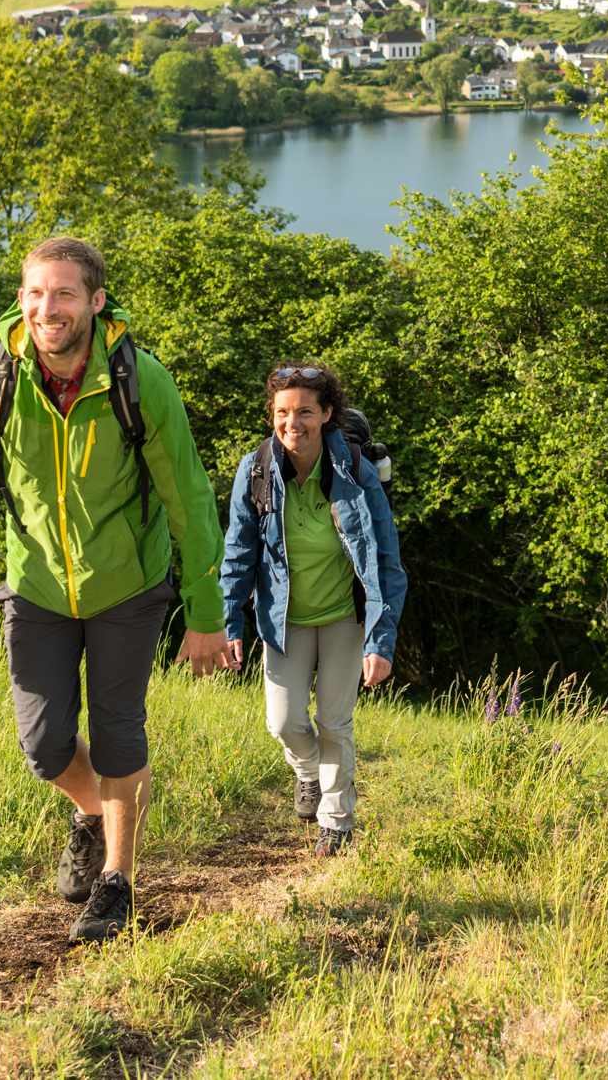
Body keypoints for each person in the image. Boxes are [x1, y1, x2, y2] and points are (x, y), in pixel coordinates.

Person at [0, 236, 230, 944]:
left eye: (65, 293)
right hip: (34, 584)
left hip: (127, 583)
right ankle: (95, 813)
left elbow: (187, 496)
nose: (48, 308)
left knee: (120, 732)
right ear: (21, 297)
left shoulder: (138, 379)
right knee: (42, 743)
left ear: (96, 301)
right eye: (36, 292)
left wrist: (206, 612)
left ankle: (118, 882)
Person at [220, 362, 407, 855]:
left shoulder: (354, 471)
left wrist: (379, 639)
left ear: (326, 414)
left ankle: (337, 822)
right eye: (282, 412)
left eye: (305, 411)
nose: (292, 423)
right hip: (284, 619)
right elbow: (238, 551)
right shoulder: (256, 470)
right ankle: (307, 773)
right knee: (282, 723)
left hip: (345, 616)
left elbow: (386, 560)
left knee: (334, 721)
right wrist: (230, 621)